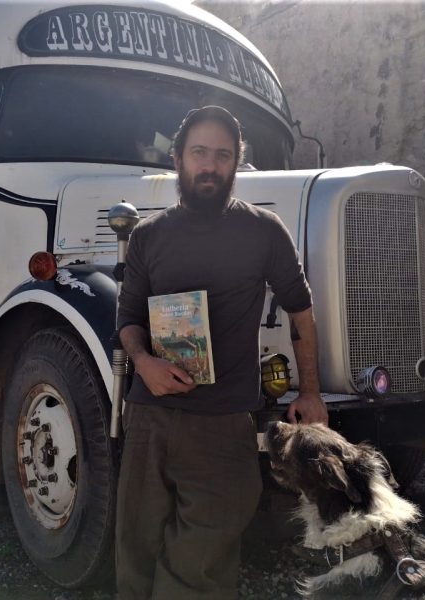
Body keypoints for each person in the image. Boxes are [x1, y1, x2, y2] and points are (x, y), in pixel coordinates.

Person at [115, 105, 328, 600]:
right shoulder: (147, 236)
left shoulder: (264, 231)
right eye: (199, 153)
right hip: (149, 417)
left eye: (223, 155)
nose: (210, 165)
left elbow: (301, 313)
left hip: (224, 421)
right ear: (178, 159)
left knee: (201, 562)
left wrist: (311, 391)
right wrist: (144, 363)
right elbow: (127, 321)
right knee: (136, 548)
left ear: (236, 163)